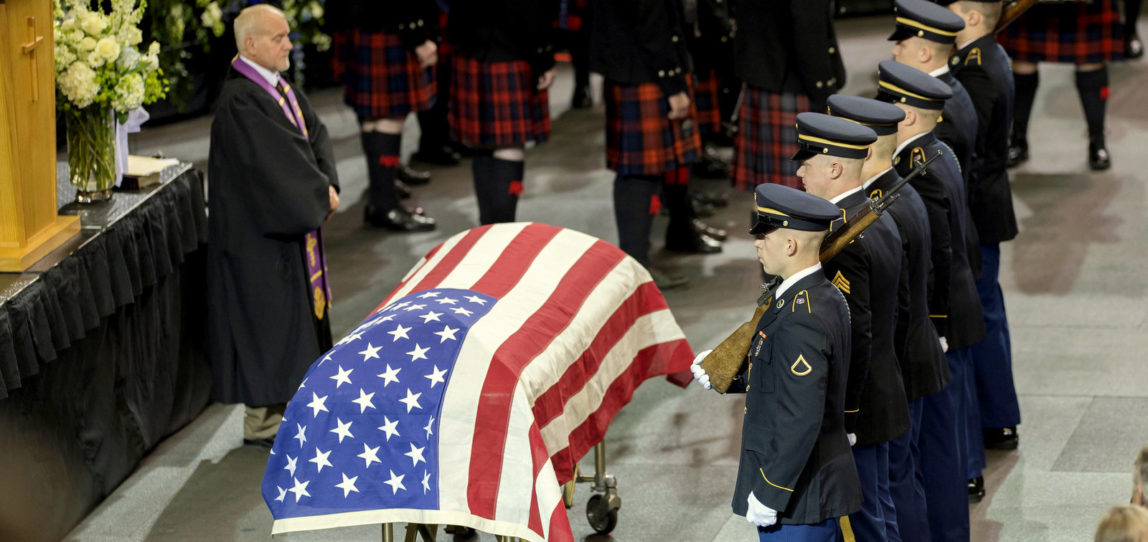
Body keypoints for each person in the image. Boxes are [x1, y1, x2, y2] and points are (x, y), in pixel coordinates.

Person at [691, 183, 860, 541]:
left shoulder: (802, 316)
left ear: (790, 245)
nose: (756, 242)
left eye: (765, 234)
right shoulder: (812, 297)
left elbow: (800, 415)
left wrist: (771, 491)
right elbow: (784, 372)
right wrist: (730, 374)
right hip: (803, 488)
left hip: (798, 496)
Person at [206, 4, 340, 447]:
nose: (288, 45)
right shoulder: (241, 100)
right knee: (267, 322)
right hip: (257, 237)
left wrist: (325, 185)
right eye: (278, 38)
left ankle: (293, 408)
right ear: (251, 44)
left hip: (284, 229)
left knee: (292, 319)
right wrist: (319, 194)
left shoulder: (277, 87)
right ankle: (264, 422)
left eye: (287, 37)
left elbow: (314, 137)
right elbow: (274, 165)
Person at [828, 93, 948, 542]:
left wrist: (851, 405)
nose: (802, 169)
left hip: (881, 378)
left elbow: (865, 324)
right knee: (897, 489)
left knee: (880, 504)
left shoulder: (864, 220)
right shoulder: (893, 201)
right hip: (897, 366)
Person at [876, 59, 986, 540]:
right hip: (957, 305)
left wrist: (935, 325)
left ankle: (947, 532)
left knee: (938, 444)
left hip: (940, 321)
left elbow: (939, 252)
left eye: (889, 104)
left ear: (908, 115)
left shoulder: (919, 171)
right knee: (947, 434)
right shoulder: (939, 153)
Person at [792, 113, 908, 541]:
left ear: (835, 168)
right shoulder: (876, 214)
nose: (799, 171)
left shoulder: (840, 237)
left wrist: (848, 415)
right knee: (879, 513)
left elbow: (856, 334)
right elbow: (900, 308)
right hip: (884, 388)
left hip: (862, 405)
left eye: (807, 162)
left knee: (865, 525)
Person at [944, 0, 1023, 484]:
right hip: (990, 205)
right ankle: (999, 415)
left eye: (953, 6)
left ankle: (992, 418)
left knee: (977, 318)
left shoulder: (975, 72)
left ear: (973, 17)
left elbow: (967, 156)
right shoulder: (990, 55)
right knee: (989, 312)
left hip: (976, 209)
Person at [591, 0, 710, 288]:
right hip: (644, 72)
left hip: (629, 68)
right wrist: (673, 84)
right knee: (639, 174)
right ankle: (637, 267)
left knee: (637, 173)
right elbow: (652, 24)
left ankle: (638, 262)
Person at [328, 0, 437, 232]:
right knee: (389, 117)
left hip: (366, 22)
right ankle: (385, 206)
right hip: (387, 24)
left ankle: (381, 198)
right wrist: (415, 36)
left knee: (375, 119)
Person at [448, 0, 558, 225]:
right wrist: (544, 55)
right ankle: (501, 235)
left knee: (483, 144)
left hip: (469, 42)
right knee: (508, 146)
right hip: (513, 47)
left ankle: (487, 232)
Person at [731, 0, 845, 191]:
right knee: (793, 188)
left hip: (761, 74)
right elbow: (808, 29)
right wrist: (823, 90)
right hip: (794, 82)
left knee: (767, 187)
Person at [998, 0, 1123, 170]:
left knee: (1090, 61)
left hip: (1086, 7)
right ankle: (1018, 139)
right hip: (1030, 6)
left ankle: (1097, 139)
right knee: (1023, 61)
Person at [888, 0, 978, 184]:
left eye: (901, 44)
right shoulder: (952, 88)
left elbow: (935, 182)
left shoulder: (935, 109)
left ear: (924, 54)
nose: (894, 50)